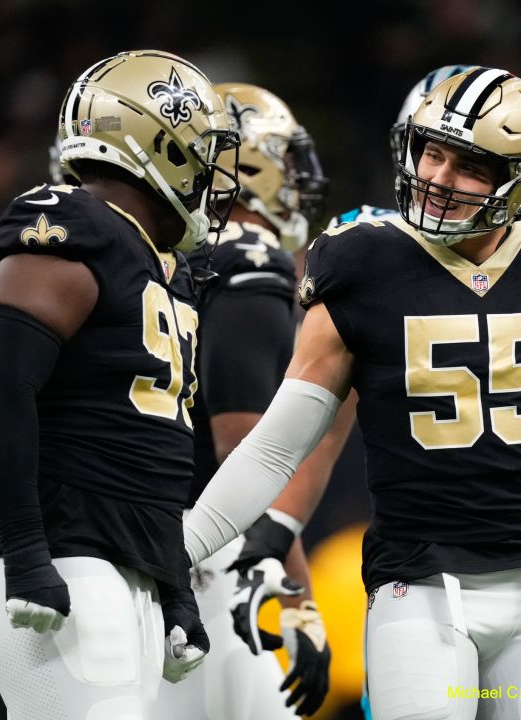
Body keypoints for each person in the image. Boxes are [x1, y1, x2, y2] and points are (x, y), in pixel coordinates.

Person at [184, 67, 521, 720]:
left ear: (520, 177)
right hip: (419, 588)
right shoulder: (360, 261)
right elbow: (278, 447)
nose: (438, 177)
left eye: (468, 165)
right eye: (430, 151)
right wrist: (186, 549)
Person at [0, 50, 240, 720]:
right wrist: (25, 550)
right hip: (59, 546)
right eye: (202, 149)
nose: (209, 172)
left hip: (113, 554)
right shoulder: (71, 221)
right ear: (161, 142)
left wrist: (173, 588)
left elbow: (150, 450)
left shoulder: (156, 262)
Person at [148, 82, 345, 720]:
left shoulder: (170, 255)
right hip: (210, 553)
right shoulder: (249, 259)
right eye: (282, 162)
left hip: (146, 538)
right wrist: (298, 602)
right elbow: (249, 457)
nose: (294, 183)